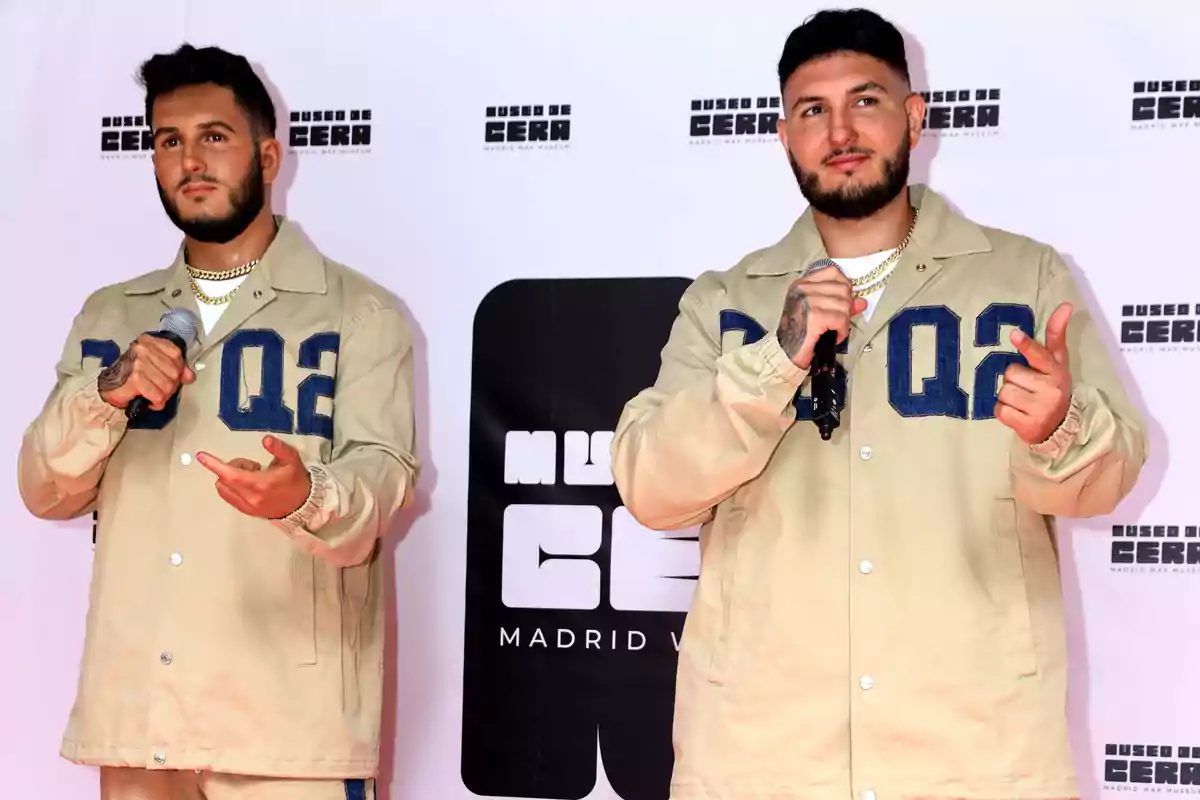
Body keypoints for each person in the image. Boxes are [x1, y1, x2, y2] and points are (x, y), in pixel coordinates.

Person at [610, 9, 1147, 800]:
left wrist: (1058, 429)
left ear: (914, 116)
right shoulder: (727, 301)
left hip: (976, 756)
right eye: (811, 110)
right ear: (785, 135)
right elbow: (649, 487)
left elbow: (1105, 477)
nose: (840, 130)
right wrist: (775, 360)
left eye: (866, 100)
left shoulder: (1024, 280)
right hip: (762, 762)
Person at [17, 43, 417, 800]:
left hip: (288, 737)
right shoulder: (113, 315)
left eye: (214, 136)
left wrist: (304, 496)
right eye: (169, 141)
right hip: (141, 728)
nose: (189, 160)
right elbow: (45, 489)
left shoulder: (358, 313)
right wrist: (105, 393)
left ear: (268, 155)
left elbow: (382, 484)